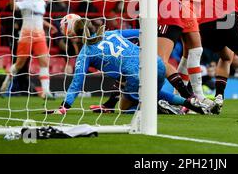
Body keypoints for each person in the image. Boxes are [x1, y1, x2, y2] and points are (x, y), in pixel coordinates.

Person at [45, 17, 211, 115]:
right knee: (149, 90)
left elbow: (77, 81)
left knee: (124, 108)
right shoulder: (111, 33)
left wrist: (64, 106)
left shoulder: (86, 52)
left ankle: (155, 107)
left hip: (134, 75)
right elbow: (139, 31)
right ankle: (188, 102)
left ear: (74, 36)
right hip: (155, 63)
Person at [115, 0, 202, 103]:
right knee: (146, 59)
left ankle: (189, 96)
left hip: (167, 19)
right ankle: (116, 101)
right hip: (168, 19)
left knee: (160, 60)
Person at [0, 0, 58, 99]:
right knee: (20, 63)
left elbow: (38, 18)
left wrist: (49, 25)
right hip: (26, 36)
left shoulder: (42, 2)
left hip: (40, 36)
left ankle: (46, 92)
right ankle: (5, 85)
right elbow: (14, 7)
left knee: (44, 61)